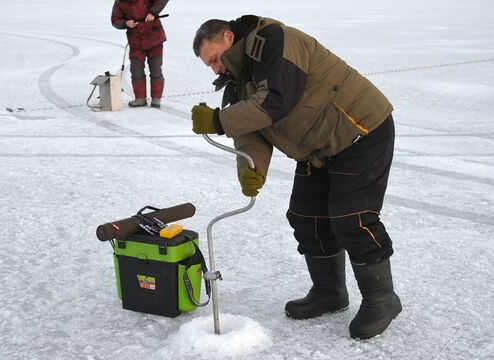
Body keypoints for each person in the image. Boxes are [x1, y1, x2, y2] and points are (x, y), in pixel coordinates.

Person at [190, 15, 402, 339]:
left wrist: (218, 120)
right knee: (306, 217)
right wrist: (251, 168)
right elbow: (249, 134)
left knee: (351, 217)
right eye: (210, 66)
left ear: (229, 37)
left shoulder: (276, 41)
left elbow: (275, 101)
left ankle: (382, 299)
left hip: (360, 130)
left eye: (215, 59)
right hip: (319, 149)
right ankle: (330, 292)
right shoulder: (236, 81)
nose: (216, 68)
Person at [111, 0, 168, 108]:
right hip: (135, 41)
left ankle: (156, 99)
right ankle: (140, 98)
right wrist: (125, 23)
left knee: (156, 69)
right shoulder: (119, 2)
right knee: (136, 70)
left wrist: (153, 13)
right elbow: (115, 20)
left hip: (154, 37)